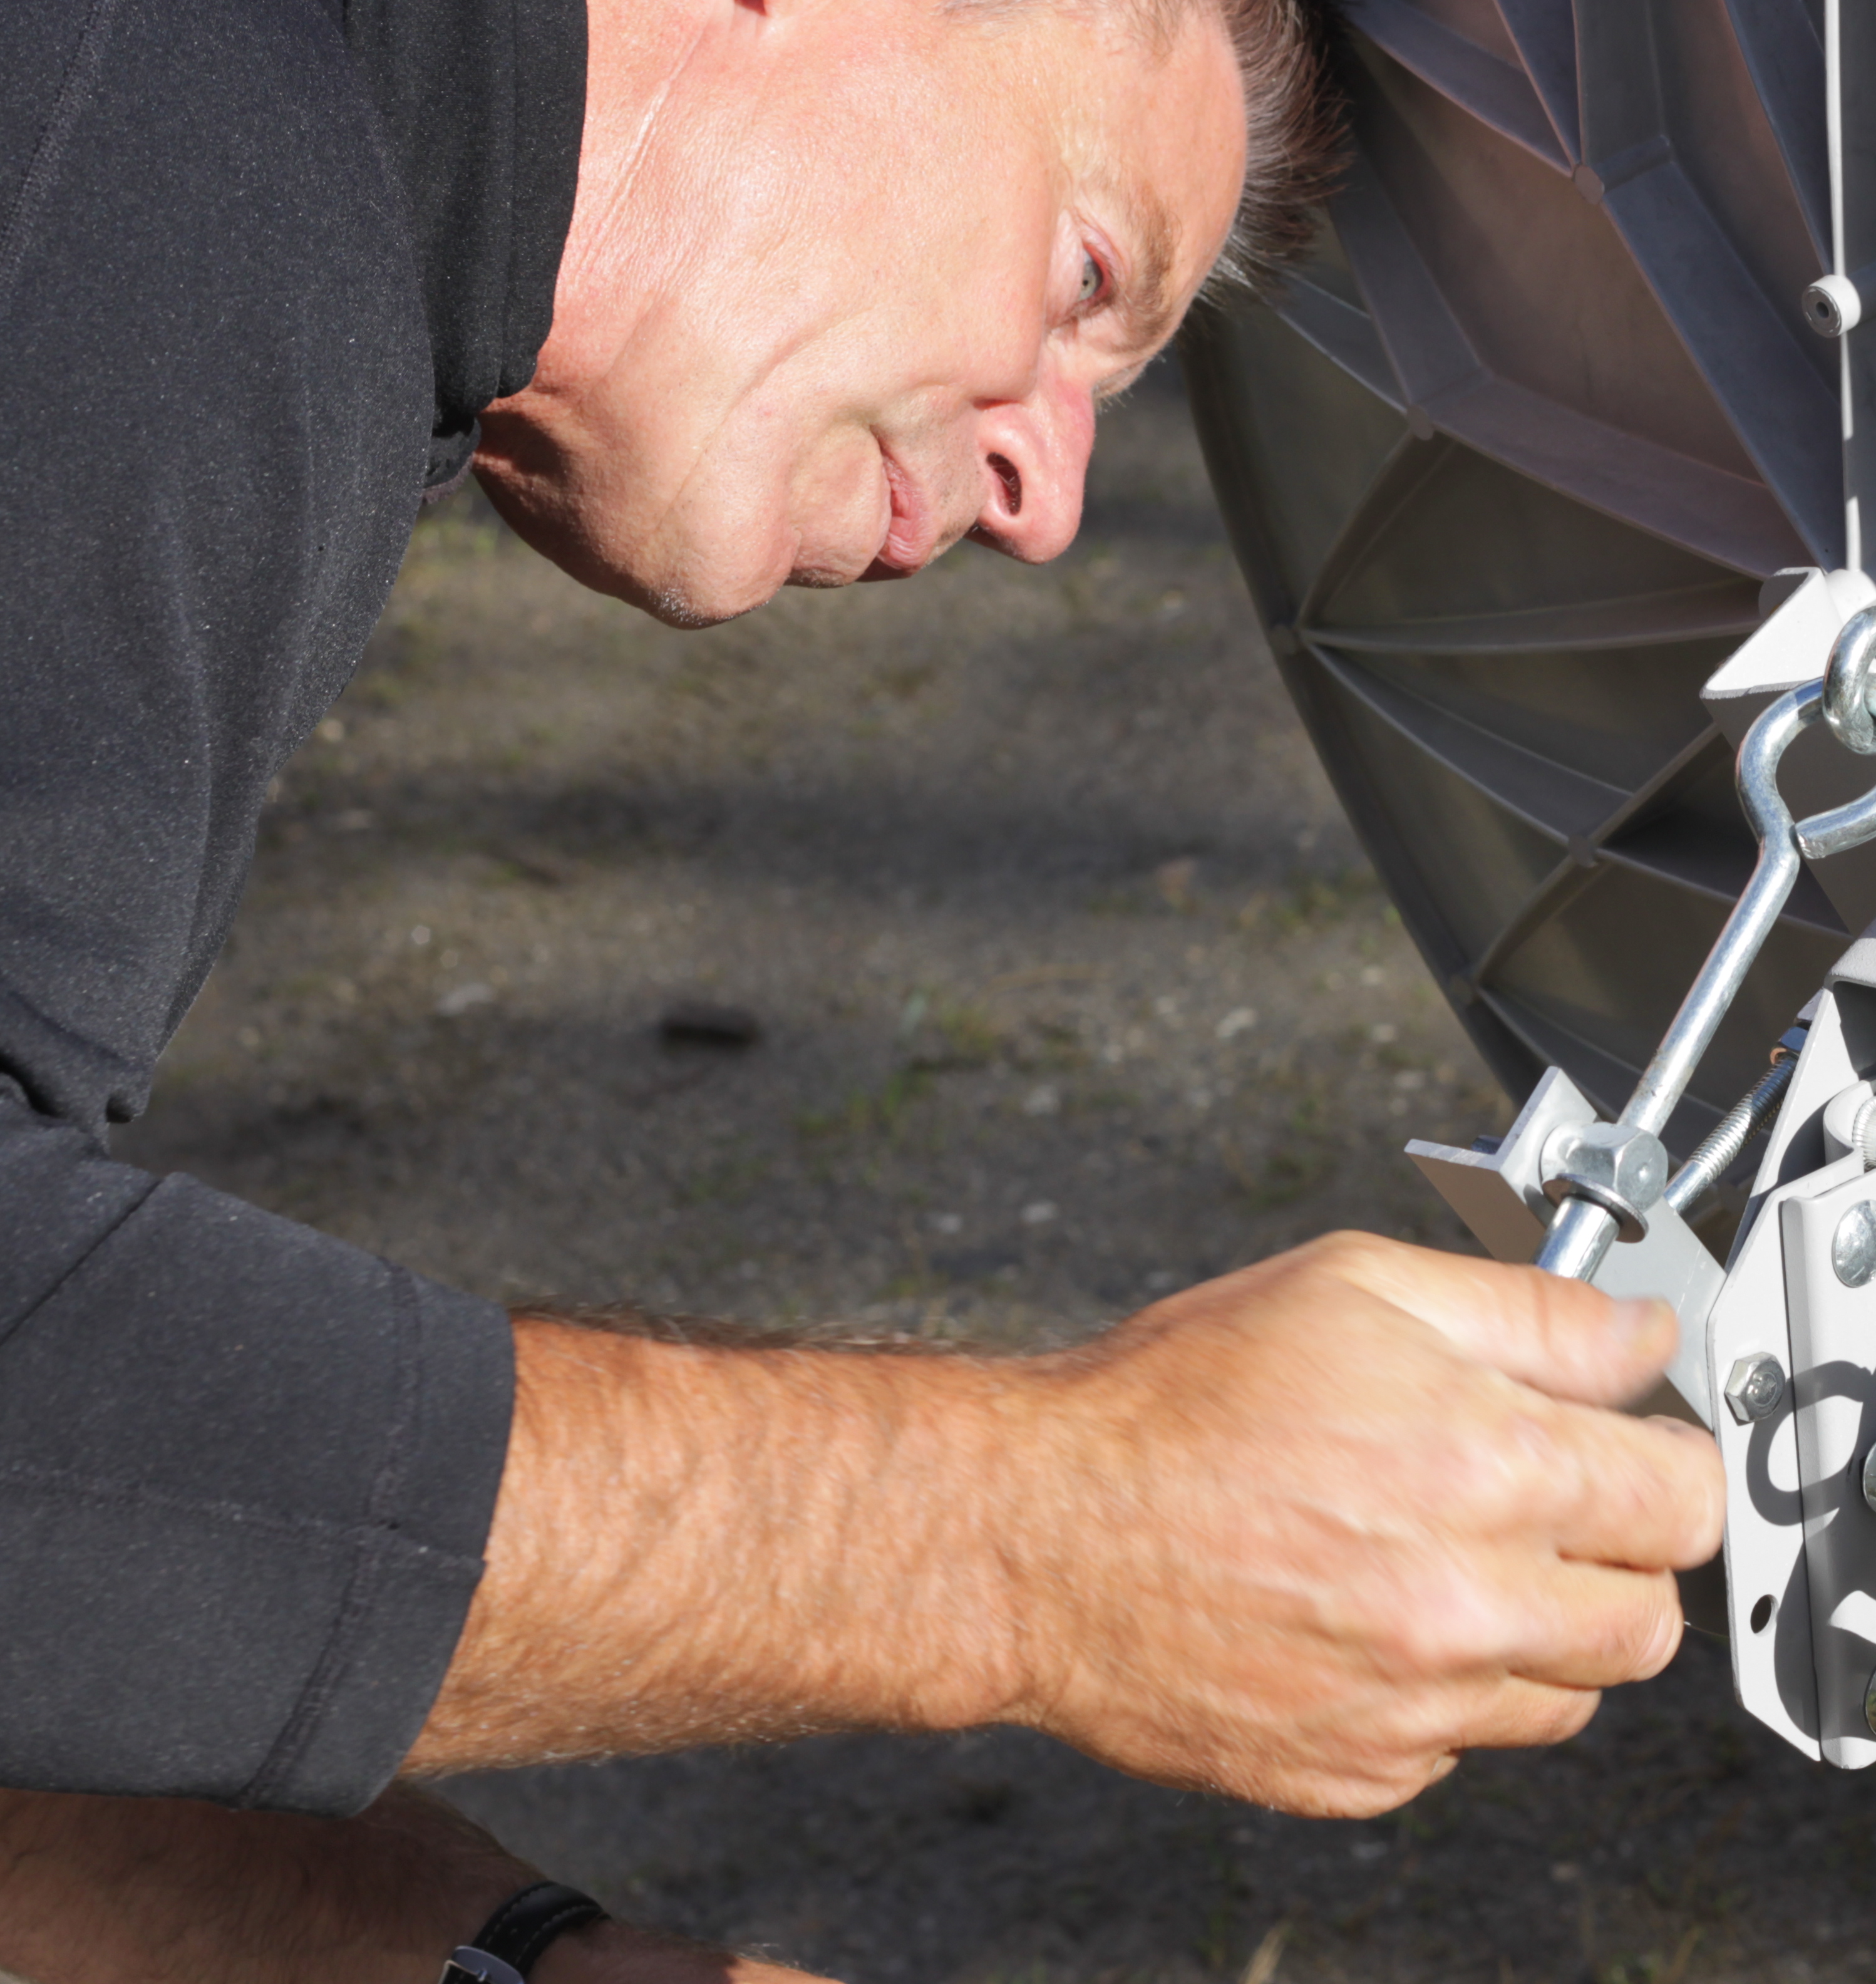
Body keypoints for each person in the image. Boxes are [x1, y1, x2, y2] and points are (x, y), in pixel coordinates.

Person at [0, 0, 1727, 1976]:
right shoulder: (175, 138)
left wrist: (498, 1962)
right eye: (1086, 277)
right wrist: (1038, 1536)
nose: (1050, 499)